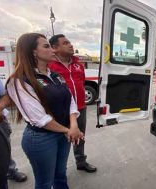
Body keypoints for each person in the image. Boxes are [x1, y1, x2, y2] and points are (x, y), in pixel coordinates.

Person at [6, 33, 83, 189]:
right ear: (33, 51)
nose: (53, 51)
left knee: (61, 174)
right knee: (45, 183)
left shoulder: (55, 75)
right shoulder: (20, 80)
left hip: (64, 133)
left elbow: (71, 101)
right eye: (46, 46)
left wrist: (73, 125)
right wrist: (69, 130)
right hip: (41, 139)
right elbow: (39, 118)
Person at [49, 34, 97, 173]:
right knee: (60, 139)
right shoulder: (50, 66)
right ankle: (58, 169)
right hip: (60, 111)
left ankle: (80, 161)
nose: (70, 45)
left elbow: (81, 83)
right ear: (55, 48)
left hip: (80, 107)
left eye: (70, 42)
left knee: (80, 136)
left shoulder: (78, 64)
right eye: (65, 43)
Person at [0, 79, 27, 186]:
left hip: (0, 120)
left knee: (4, 150)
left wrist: (0, 108)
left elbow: (4, 96)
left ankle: (10, 171)